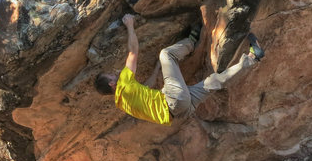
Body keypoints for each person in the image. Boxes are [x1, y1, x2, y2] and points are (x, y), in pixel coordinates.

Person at [94, 14, 264, 125]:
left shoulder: (123, 104)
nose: (115, 73)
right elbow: (133, 51)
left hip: (180, 111)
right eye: (111, 75)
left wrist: (156, 70)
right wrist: (130, 25)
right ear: (111, 83)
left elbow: (147, 87)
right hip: (173, 99)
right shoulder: (123, 82)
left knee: (213, 82)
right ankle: (191, 41)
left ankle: (252, 58)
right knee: (166, 54)